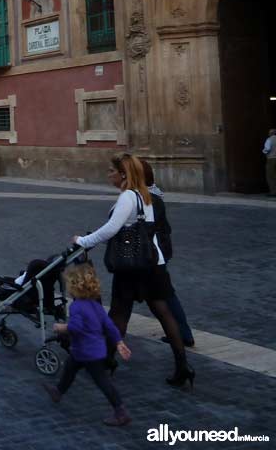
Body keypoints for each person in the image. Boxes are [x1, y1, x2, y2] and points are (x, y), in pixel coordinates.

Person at [72, 153, 194, 390]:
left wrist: (83, 241)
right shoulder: (146, 196)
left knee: (119, 314)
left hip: (132, 266)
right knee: (163, 312)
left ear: (124, 174)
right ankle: (183, 367)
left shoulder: (128, 196)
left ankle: (105, 362)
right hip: (153, 264)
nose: (109, 175)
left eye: (111, 171)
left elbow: (111, 229)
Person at [44, 264, 133, 427]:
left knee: (102, 382)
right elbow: (109, 326)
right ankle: (58, 391)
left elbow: (76, 328)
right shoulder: (96, 305)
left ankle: (121, 412)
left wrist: (61, 328)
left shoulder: (76, 307)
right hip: (94, 350)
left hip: (87, 352)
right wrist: (119, 342)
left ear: (74, 288)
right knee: (70, 367)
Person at [141, 161, 195, 349]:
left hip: (153, 254)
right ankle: (182, 335)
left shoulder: (148, 198)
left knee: (162, 296)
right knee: (162, 295)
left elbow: (145, 228)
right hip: (158, 251)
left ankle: (182, 336)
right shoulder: (152, 195)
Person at [265, 128, 276, 196]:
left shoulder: (269, 140)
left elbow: (267, 149)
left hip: (271, 159)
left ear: (270, 133)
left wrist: (264, 152)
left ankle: (273, 192)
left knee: (270, 176)